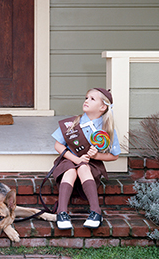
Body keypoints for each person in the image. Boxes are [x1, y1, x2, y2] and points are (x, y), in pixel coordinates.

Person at [50, 87, 120, 230]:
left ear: (102, 107)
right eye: (86, 97)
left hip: (90, 165)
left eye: (92, 99)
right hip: (69, 160)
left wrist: (96, 155)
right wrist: (76, 159)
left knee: (83, 167)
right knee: (70, 169)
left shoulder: (106, 129)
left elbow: (114, 155)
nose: (87, 100)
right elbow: (58, 145)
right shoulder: (73, 123)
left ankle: (96, 212)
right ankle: (61, 212)